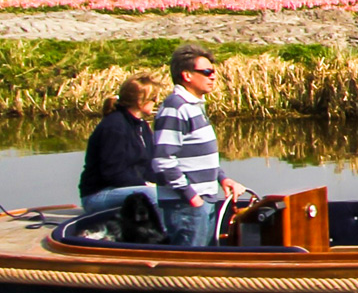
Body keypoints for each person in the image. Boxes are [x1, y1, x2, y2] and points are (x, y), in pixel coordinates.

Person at [151, 46, 247, 246]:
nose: (213, 77)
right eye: (206, 72)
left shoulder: (194, 106)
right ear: (186, 75)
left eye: (213, 72)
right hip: (186, 206)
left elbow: (199, 152)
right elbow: (163, 161)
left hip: (203, 200)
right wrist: (191, 197)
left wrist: (222, 178)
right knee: (188, 270)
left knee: (201, 264)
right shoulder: (175, 108)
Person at [78, 76, 158, 216]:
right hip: (98, 194)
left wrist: (166, 183)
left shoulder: (142, 127)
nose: (156, 101)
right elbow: (113, 173)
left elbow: (148, 167)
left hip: (129, 188)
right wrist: (145, 184)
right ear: (140, 101)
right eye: (153, 98)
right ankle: (164, 234)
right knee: (153, 195)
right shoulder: (114, 127)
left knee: (170, 192)